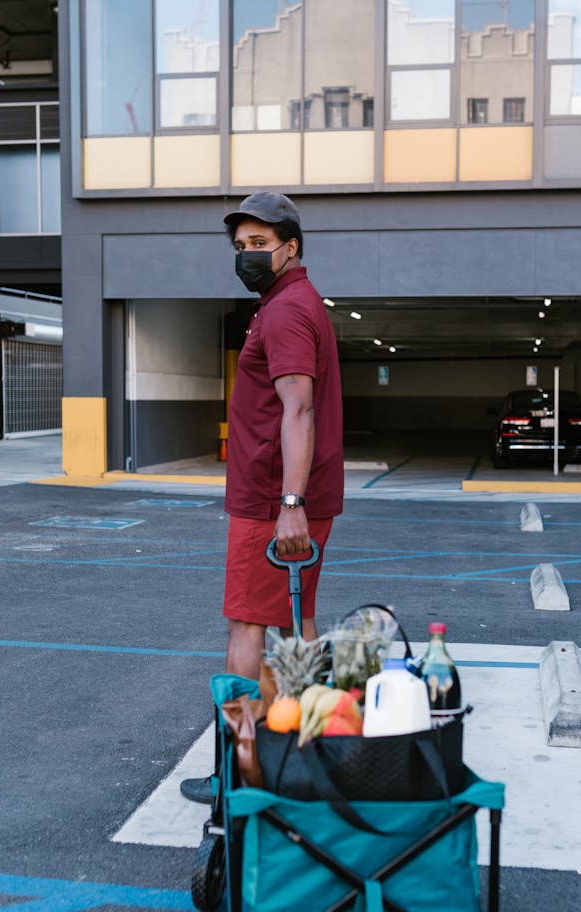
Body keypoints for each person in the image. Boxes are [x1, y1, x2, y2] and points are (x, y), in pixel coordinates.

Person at [181, 192, 344, 803]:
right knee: (298, 625)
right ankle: (307, 753)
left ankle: (238, 770)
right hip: (286, 495)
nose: (247, 255)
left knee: (247, 627)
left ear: (291, 247)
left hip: (272, 499)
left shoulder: (285, 312)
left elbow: (298, 407)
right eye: (241, 245)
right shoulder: (290, 302)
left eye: (259, 245)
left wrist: (290, 502)